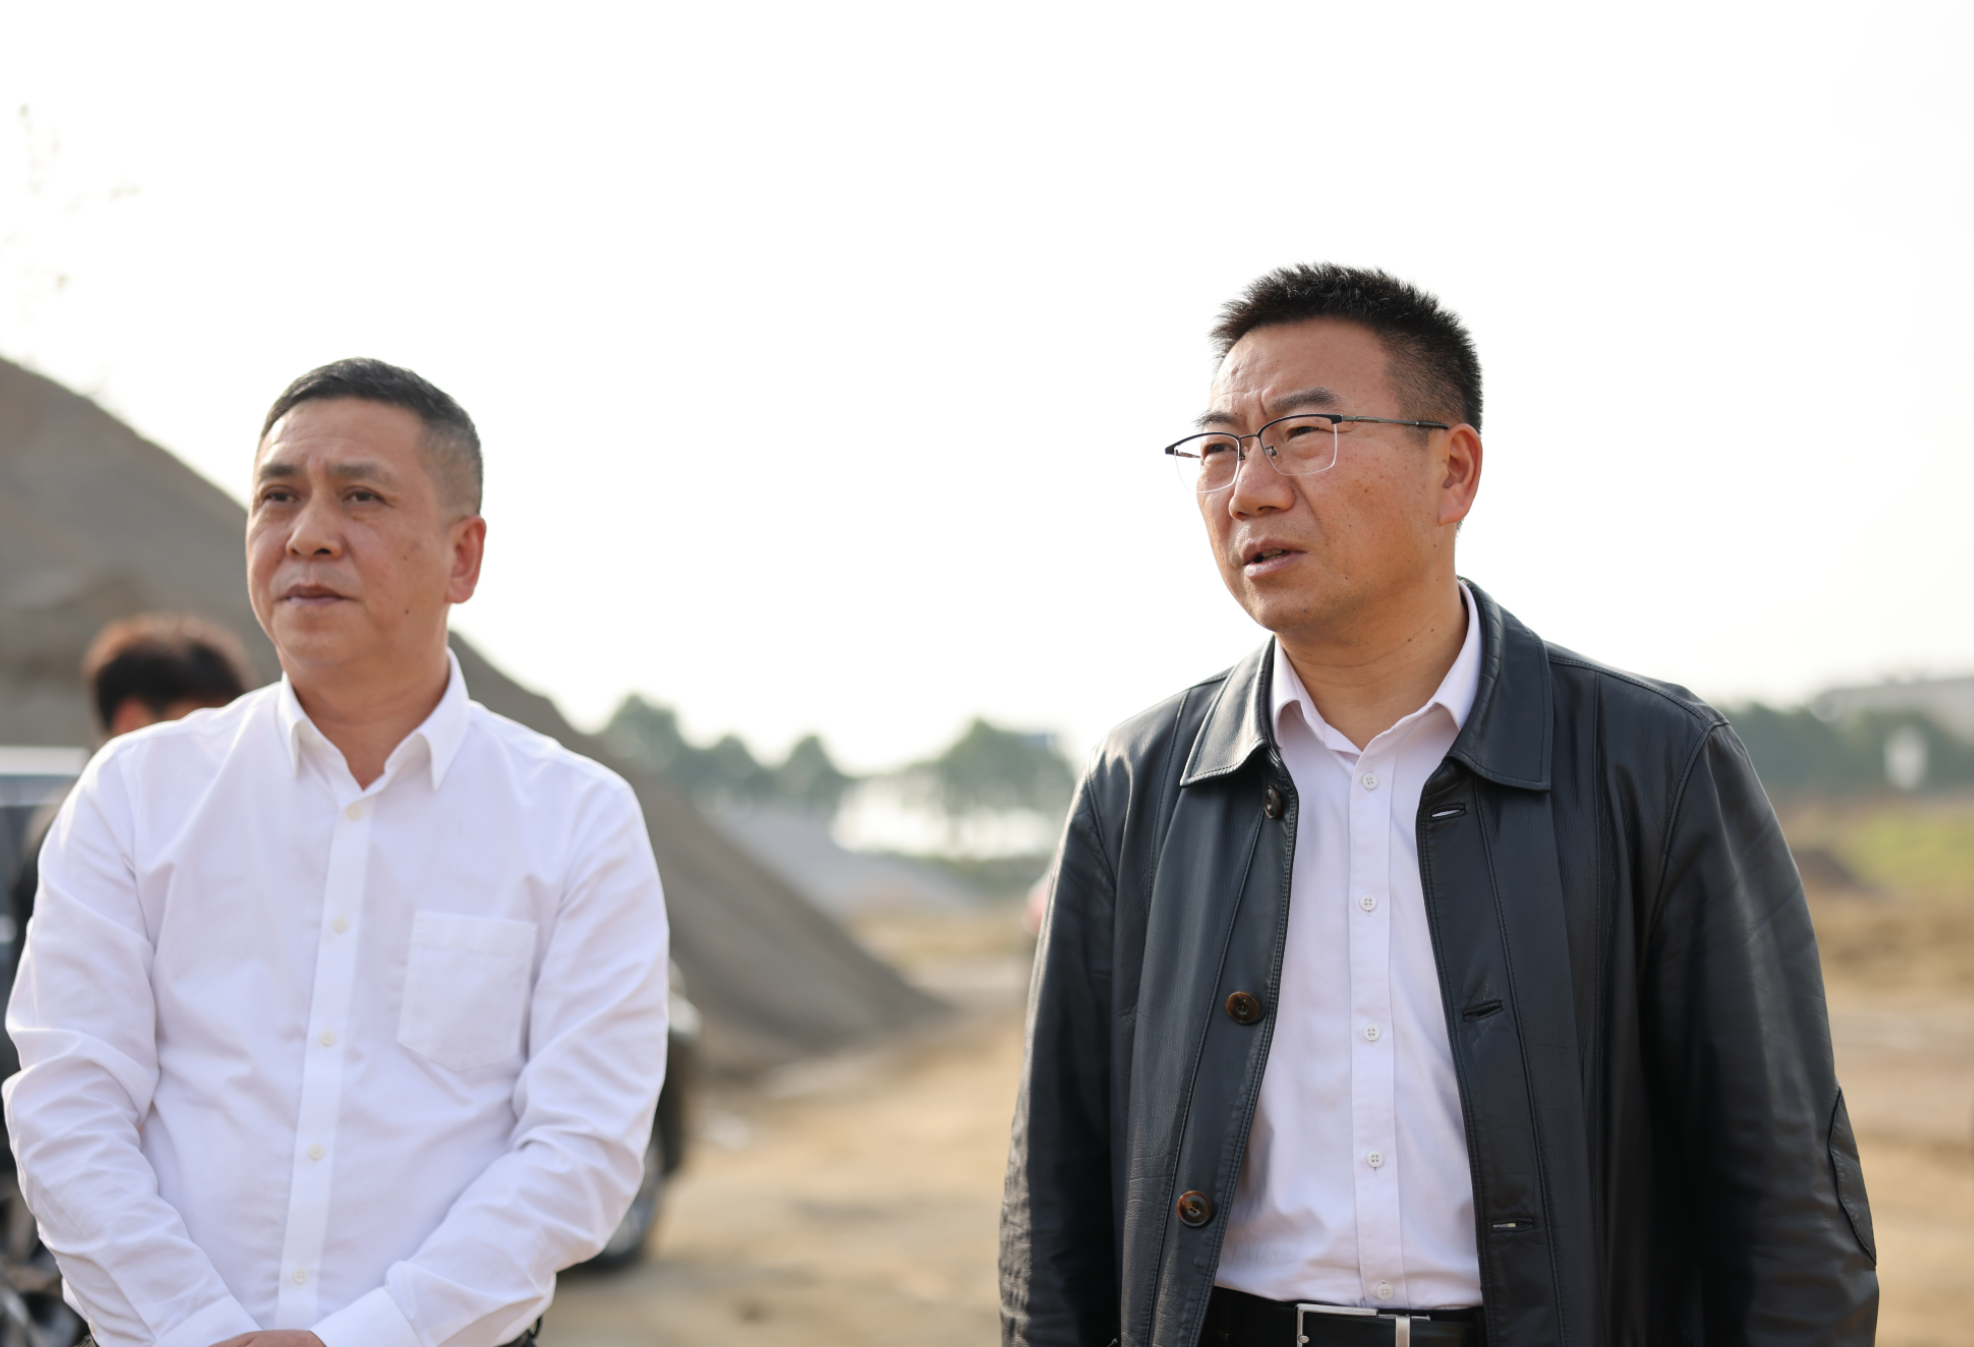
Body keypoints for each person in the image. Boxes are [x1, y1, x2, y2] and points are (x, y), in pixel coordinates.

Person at [999, 265, 1877, 1347]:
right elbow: (1056, 1193)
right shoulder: (1141, 783)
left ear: (1452, 470)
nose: (1250, 489)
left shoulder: (1655, 766)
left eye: (1304, 433)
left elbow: (1786, 1198)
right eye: (1220, 448)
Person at [5, 358, 671, 1347]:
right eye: (278, 495)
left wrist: (373, 1335)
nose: (308, 532)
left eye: (360, 496)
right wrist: (200, 1329)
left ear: (463, 557)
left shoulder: (576, 821)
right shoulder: (135, 795)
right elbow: (69, 1105)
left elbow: (580, 1147)